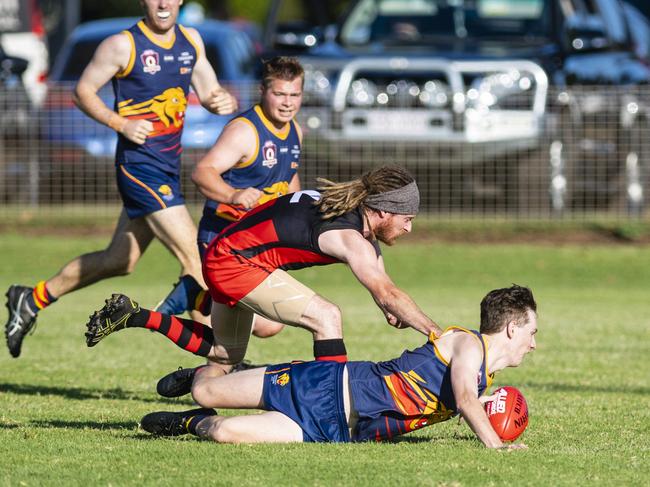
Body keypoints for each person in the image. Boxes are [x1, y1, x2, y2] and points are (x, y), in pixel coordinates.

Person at [3, 0, 237, 358]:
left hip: (167, 167)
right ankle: (217, 364)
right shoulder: (122, 45)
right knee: (197, 261)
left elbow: (209, 91)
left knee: (120, 260)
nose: (162, 3)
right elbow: (83, 91)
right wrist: (121, 123)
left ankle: (30, 298)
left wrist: (220, 101)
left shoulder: (190, 41)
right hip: (139, 167)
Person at [85, 165, 443, 396]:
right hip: (235, 264)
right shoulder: (348, 236)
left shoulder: (350, 212)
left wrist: (389, 308)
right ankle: (328, 407)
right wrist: (438, 334)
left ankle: (134, 315)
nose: (409, 228)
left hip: (225, 252)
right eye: (406, 218)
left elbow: (383, 285)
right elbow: (387, 291)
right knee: (327, 316)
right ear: (381, 210)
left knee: (225, 353)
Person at [138, 284, 537, 447]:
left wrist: (494, 409)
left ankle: (187, 422)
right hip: (325, 385)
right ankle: (209, 373)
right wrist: (496, 447)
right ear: (512, 327)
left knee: (224, 432)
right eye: (531, 332)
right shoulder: (468, 345)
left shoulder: (483, 373)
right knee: (207, 389)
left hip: (332, 429)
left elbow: (471, 398)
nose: (533, 344)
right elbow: (466, 399)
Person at [155, 56, 305, 343]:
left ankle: (197, 295)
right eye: (280, 94)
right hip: (223, 237)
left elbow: (289, 178)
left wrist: (301, 210)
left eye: (294, 95)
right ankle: (218, 373)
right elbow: (203, 172)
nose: (287, 102)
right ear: (263, 91)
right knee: (239, 325)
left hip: (257, 241)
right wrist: (234, 195)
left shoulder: (294, 130)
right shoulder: (245, 131)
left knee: (269, 324)